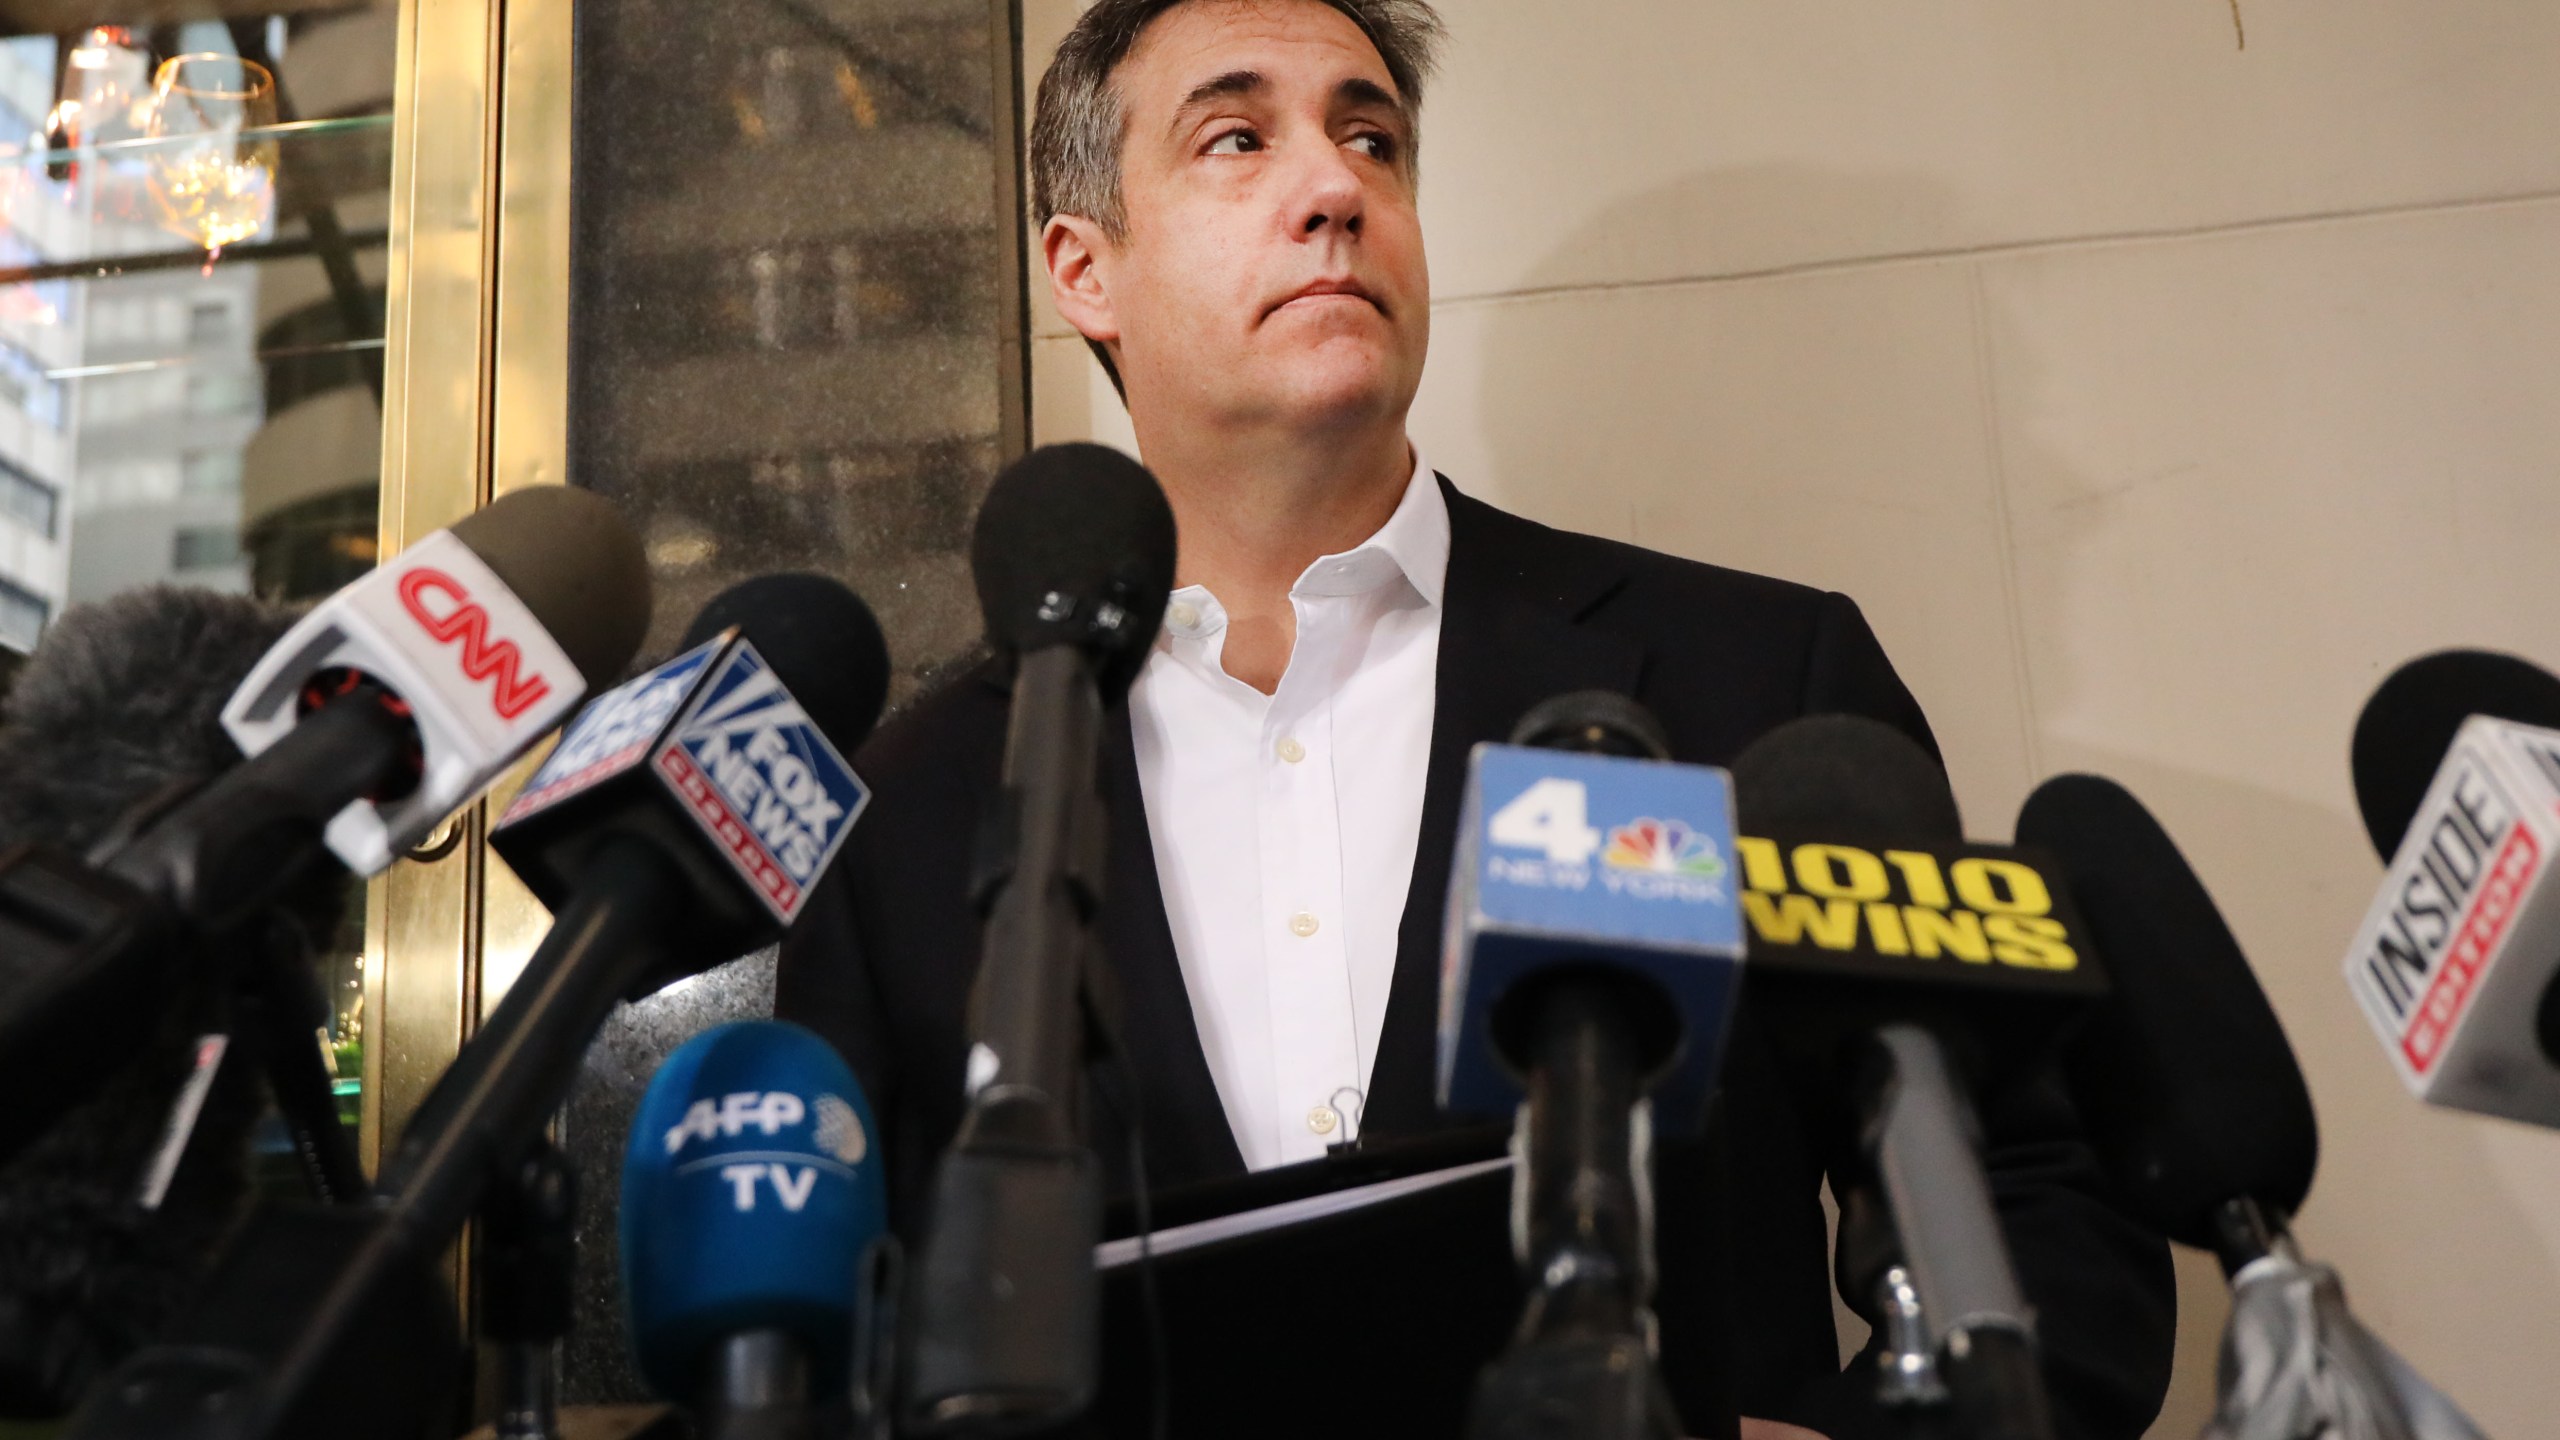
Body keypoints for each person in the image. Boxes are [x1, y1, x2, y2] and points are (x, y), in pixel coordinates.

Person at [776, 1, 2175, 1435]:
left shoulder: (1749, 683)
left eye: (1371, 138)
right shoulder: (913, 813)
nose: (1335, 190)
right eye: (1239, 138)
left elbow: (2042, 1217)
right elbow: (816, 1354)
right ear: (1086, 269)